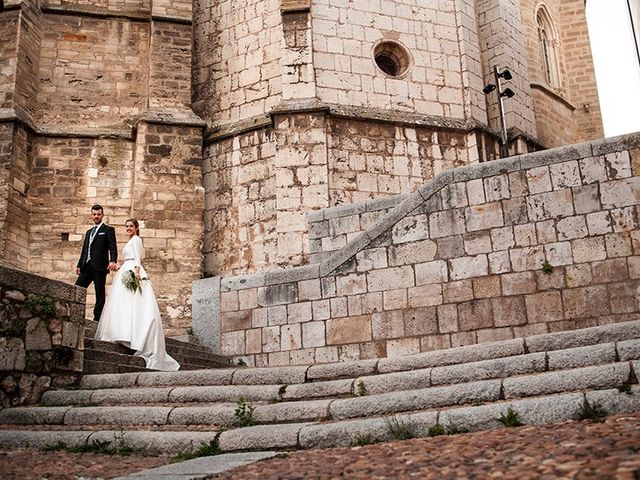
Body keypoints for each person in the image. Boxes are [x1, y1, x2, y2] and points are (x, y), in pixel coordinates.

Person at [95, 218, 179, 371]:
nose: (128, 228)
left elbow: (137, 258)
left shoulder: (136, 240)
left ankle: (133, 336)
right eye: (126, 226)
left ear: (136, 228)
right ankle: (124, 332)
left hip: (133, 270)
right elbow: (130, 257)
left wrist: (137, 273)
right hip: (126, 269)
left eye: (131, 226)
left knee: (133, 303)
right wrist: (120, 266)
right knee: (125, 303)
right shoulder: (130, 240)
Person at [75, 204, 118, 322]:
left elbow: (112, 247)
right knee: (77, 288)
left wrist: (113, 260)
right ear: (91, 215)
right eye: (94, 214)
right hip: (86, 266)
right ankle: (76, 314)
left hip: (99, 267)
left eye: (98, 214)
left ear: (102, 215)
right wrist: (79, 264)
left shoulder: (108, 230)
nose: (96, 216)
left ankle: (97, 318)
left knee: (99, 293)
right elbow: (85, 249)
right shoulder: (89, 232)